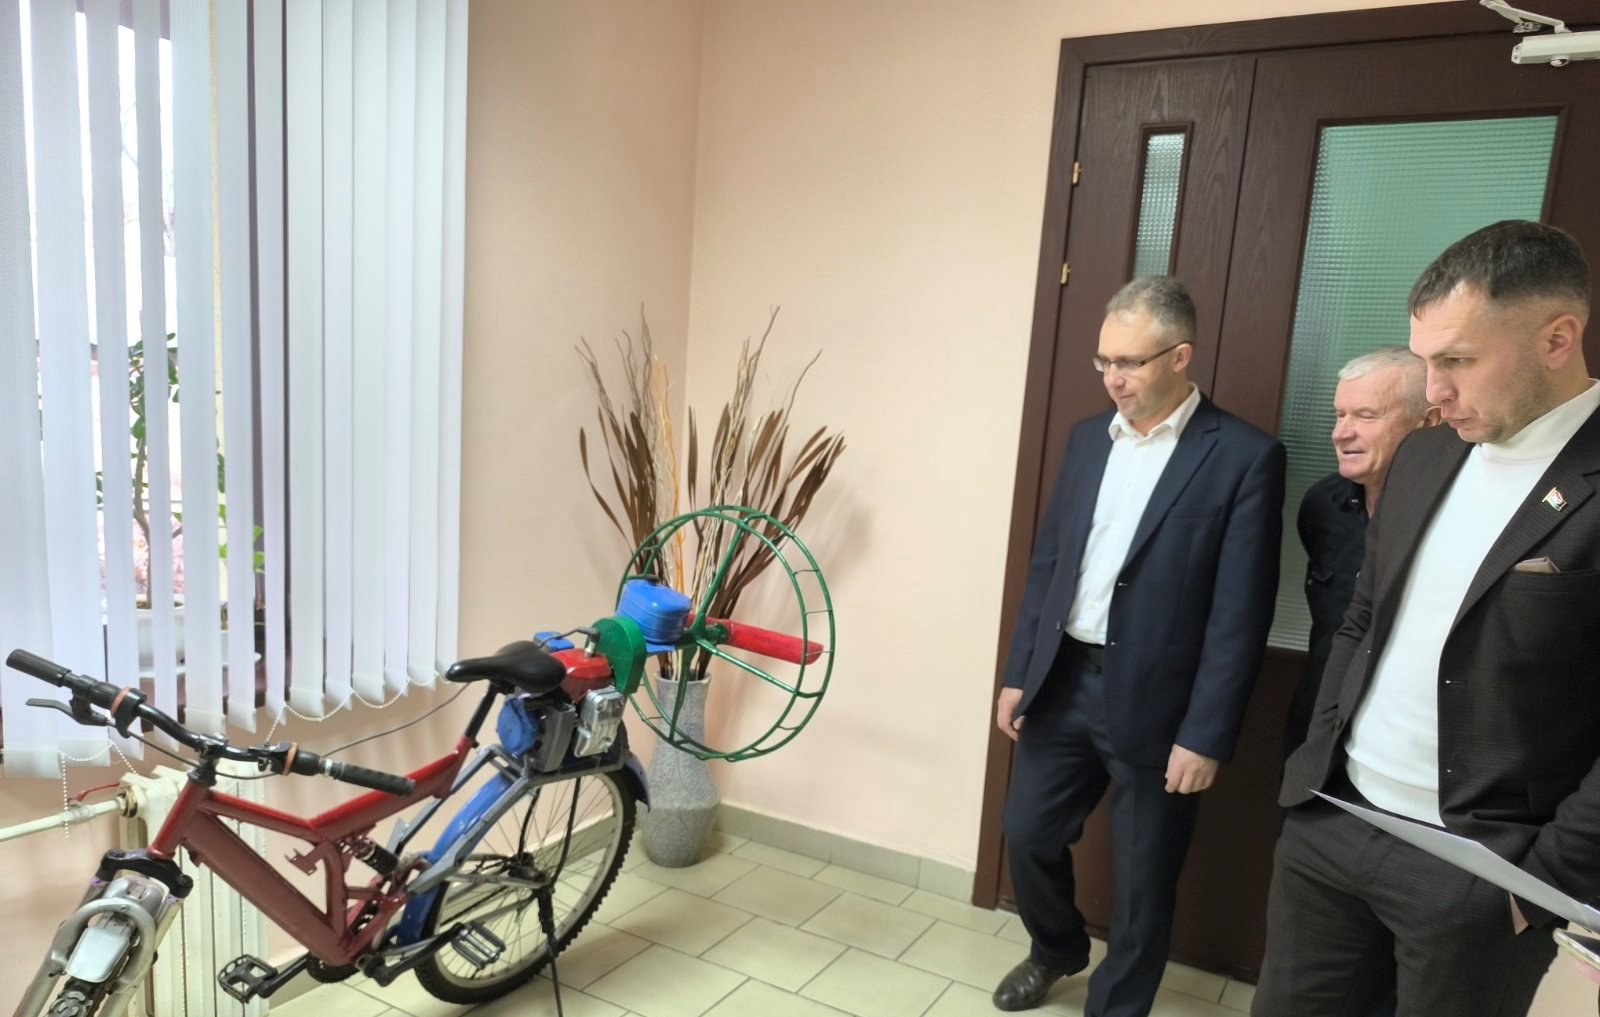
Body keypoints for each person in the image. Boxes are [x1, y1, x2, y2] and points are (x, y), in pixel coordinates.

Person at [1254, 219, 1600, 1017]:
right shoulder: (1427, 453)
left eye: (1458, 361)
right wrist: (1317, 763)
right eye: (1426, 360)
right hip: (1335, 818)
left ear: (1557, 339)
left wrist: (1541, 880)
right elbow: (1363, 617)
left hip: (1481, 868)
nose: (1433, 389)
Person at [993, 276, 1285, 1017]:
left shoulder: (1244, 457)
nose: (1113, 378)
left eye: (1129, 362)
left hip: (1162, 703)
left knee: (1144, 880)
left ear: (1180, 356)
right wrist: (1020, 671)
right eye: (1104, 362)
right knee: (1026, 833)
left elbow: (1240, 613)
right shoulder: (1089, 439)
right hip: (1064, 679)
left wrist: (1207, 733)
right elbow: (1050, 564)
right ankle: (1056, 947)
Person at [1287, 347, 1438, 758]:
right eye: (1339, 415)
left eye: (1366, 416)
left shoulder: (1455, 514)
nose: (1341, 433)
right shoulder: (1322, 505)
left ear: (1428, 423)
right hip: (1317, 726)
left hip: (1406, 743)